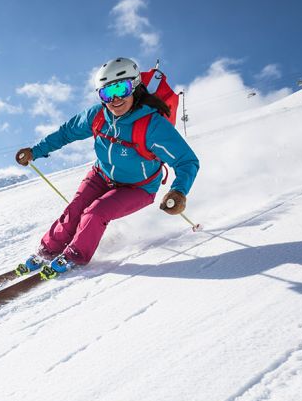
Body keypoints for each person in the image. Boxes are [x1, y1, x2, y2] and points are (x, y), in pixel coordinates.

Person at [15, 57, 199, 275]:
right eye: (106, 93)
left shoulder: (152, 125)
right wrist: (36, 151)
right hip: (101, 175)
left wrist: (178, 191)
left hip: (138, 187)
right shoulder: (97, 116)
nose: (115, 99)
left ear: (135, 86)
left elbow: (187, 161)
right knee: (75, 210)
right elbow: (66, 132)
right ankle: (47, 250)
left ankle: (75, 255)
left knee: (95, 213)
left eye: (121, 88)